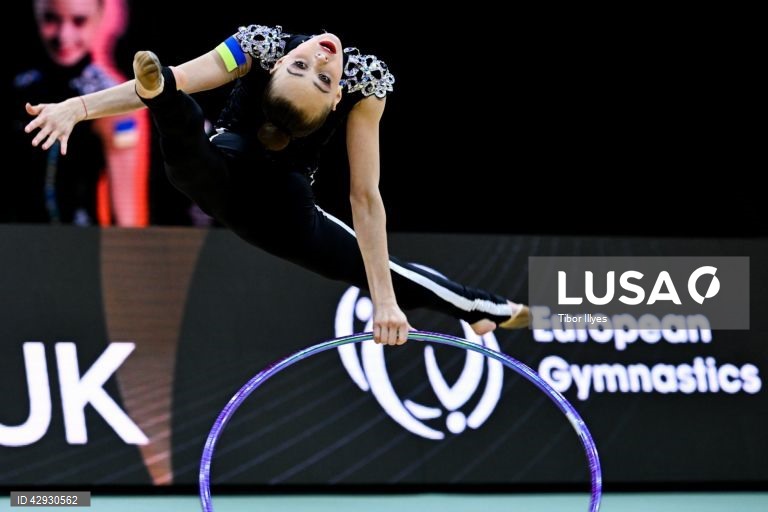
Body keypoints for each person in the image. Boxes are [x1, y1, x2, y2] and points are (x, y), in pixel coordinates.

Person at [23, 23, 529, 344]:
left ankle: (481, 309)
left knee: (382, 270)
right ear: (276, 66)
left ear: (336, 102)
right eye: (306, 66)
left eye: (324, 77)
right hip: (221, 171)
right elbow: (183, 71)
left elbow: (365, 197)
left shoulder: (367, 85)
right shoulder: (254, 47)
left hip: (284, 212)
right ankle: (161, 97)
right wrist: (77, 107)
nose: (324, 60)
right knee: (179, 113)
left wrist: (385, 301)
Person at [7, 0, 147, 226]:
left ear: (100, 17)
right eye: (51, 19)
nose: (64, 35)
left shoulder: (112, 100)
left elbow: (125, 213)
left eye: (79, 21)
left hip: (78, 244)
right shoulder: (18, 85)